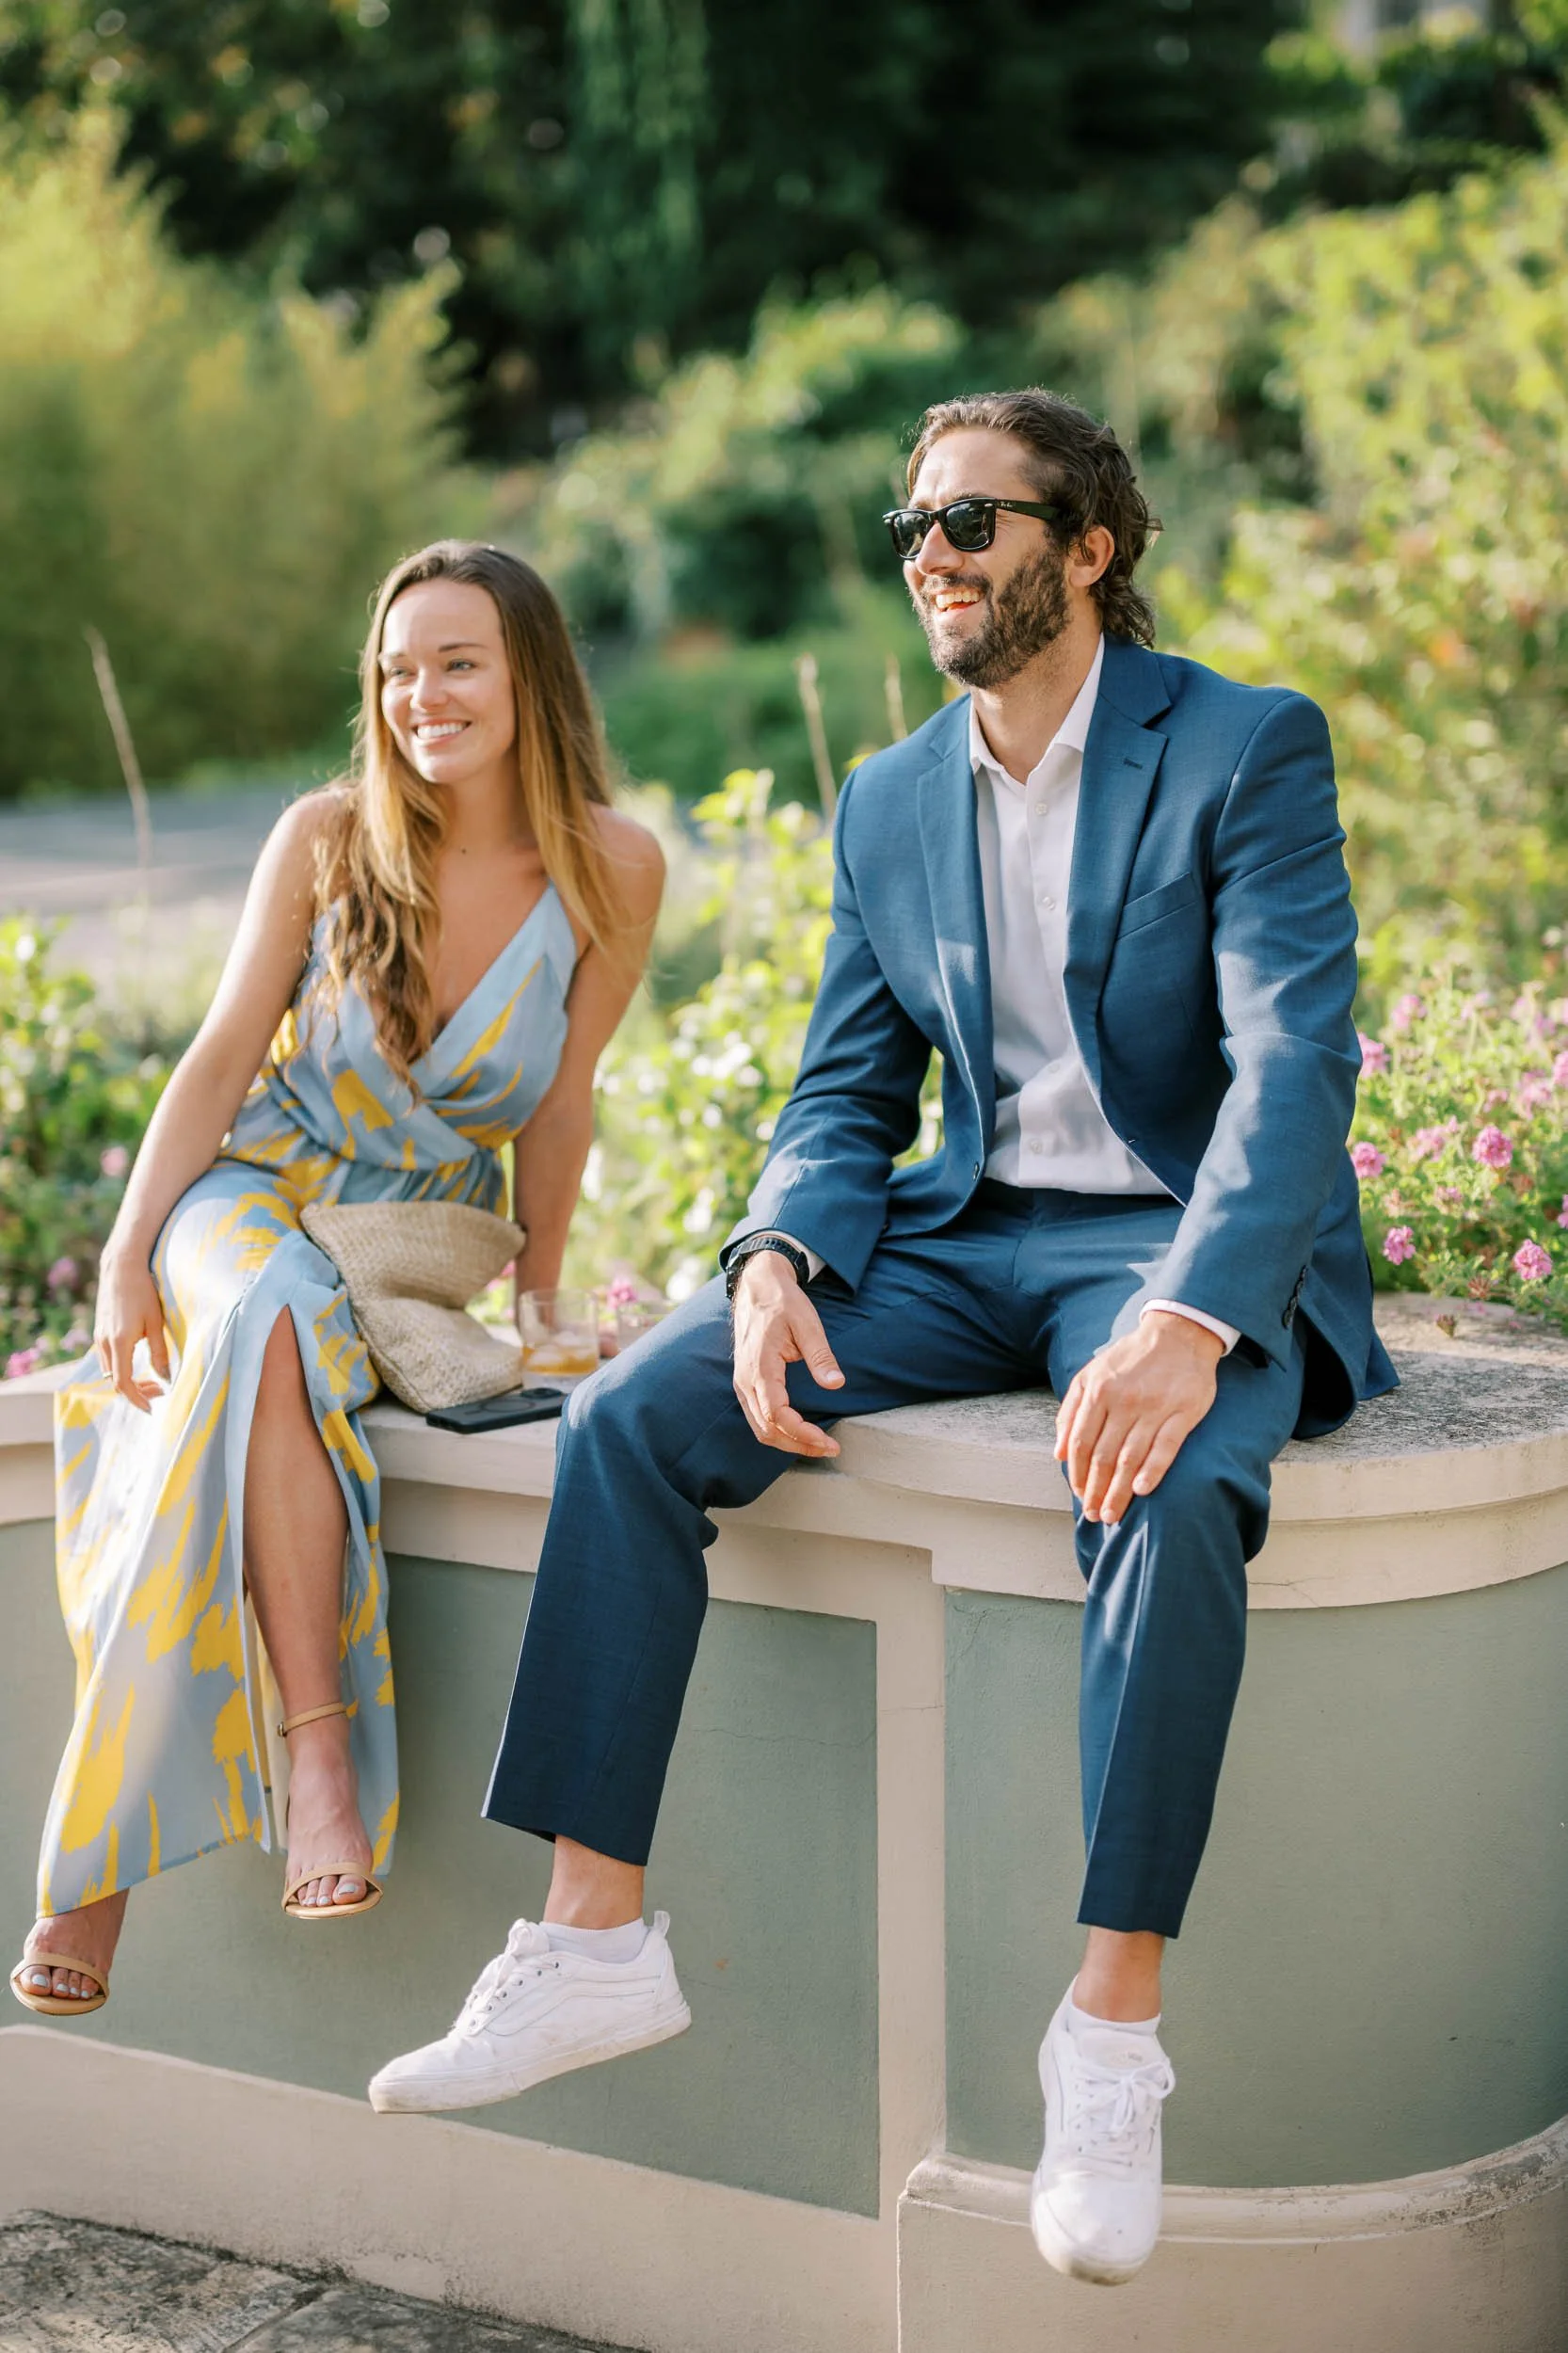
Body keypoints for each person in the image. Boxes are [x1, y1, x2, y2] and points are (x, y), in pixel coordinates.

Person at [370, 394, 1396, 2288]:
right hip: (966, 1234)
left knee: (1167, 1483)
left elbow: (1289, 1063)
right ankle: (590, 1937)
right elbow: (846, 1088)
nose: (931, 554)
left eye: (971, 522)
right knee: (639, 1406)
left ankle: (1108, 2031)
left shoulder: (1239, 744)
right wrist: (771, 1254)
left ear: (1087, 545)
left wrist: (1188, 1317)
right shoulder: (891, 796)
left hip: (1162, 1238)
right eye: (911, 526)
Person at [9, 541, 663, 2020]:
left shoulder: (611, 866)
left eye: (458, 662)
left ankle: (96, 1869)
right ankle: (317, 1758)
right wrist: (127, 1257)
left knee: (252, 1367)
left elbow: (560, 1104)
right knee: (267, 1311)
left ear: (530, 674)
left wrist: (543, 1298)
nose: (422, 695)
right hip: (245, 1201)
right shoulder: (324, 838)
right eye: (397, 670)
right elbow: (221, 1056)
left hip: (409, 1245)